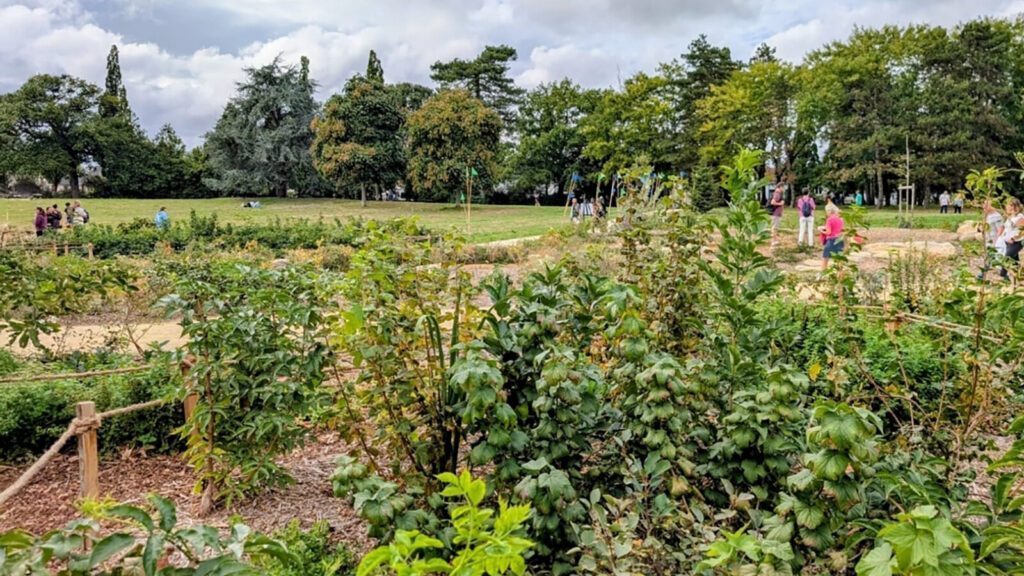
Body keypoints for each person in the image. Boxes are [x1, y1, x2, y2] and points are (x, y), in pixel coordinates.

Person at [1000, 198, 1023, 280]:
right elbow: (1006, 229)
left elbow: (1021, 231)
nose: (1008, 207)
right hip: (1007, 242)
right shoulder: (1009, 217)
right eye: (1008, 205)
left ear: (1016, 207)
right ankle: (1019, 277)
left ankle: (1003, 275)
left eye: (1010, 205)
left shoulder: (1020, 216)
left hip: (1016, 242)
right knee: (1014, 261)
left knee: (1007, 258)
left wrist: (1013, 238)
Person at [821, 203, 845, 270]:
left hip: (831, 241)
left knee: (825, 258)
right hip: (840, 239)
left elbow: (828, 232)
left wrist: (821, 230)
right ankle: (840, 276)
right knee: (839, 259)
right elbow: (842, 229)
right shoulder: (840, 219)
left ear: (829, 211)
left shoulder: (829, 219)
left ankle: (823, 274)